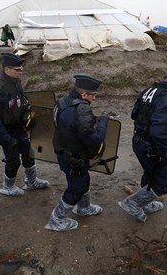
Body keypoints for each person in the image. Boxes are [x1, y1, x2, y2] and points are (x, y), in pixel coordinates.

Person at [119, 61, 167, 222]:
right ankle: (132, 203)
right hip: (152, 147)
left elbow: (134, 114)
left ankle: (146, 203)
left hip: (138, 141)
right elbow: (158, 131)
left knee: (150, 173)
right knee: (165, 181)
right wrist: (164, 152)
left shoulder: (149, 90)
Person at [44, 74, 108, 232]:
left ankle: (83, 208)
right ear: (84, 94)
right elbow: (95, 139)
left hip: (66, 152)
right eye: (93, 95)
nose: (94, 99)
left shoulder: (63, 101)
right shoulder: (82, 109)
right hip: (74, 157)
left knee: (84, 180)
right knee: (76, 188)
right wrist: (103, 123)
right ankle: (56, 220)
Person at [0, 53, 49, 196]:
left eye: (21, 69)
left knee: (28, 154)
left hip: (20, 128)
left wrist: (29, 117)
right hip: (7, 131)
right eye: (17, 70)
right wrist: (5, 137)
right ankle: (7, 186)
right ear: (7, 69)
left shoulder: (16, 82)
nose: (21, 72)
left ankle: (31, 181)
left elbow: (23, 103)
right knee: (13, 160)